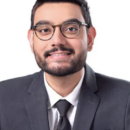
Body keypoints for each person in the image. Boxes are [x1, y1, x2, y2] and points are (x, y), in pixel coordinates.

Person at [0, 0, 130, 130]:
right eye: (45, 30)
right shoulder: (3, 97)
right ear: (31, 40)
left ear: (90, 38)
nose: (57, 41)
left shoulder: (126, 99)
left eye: (71, 29)